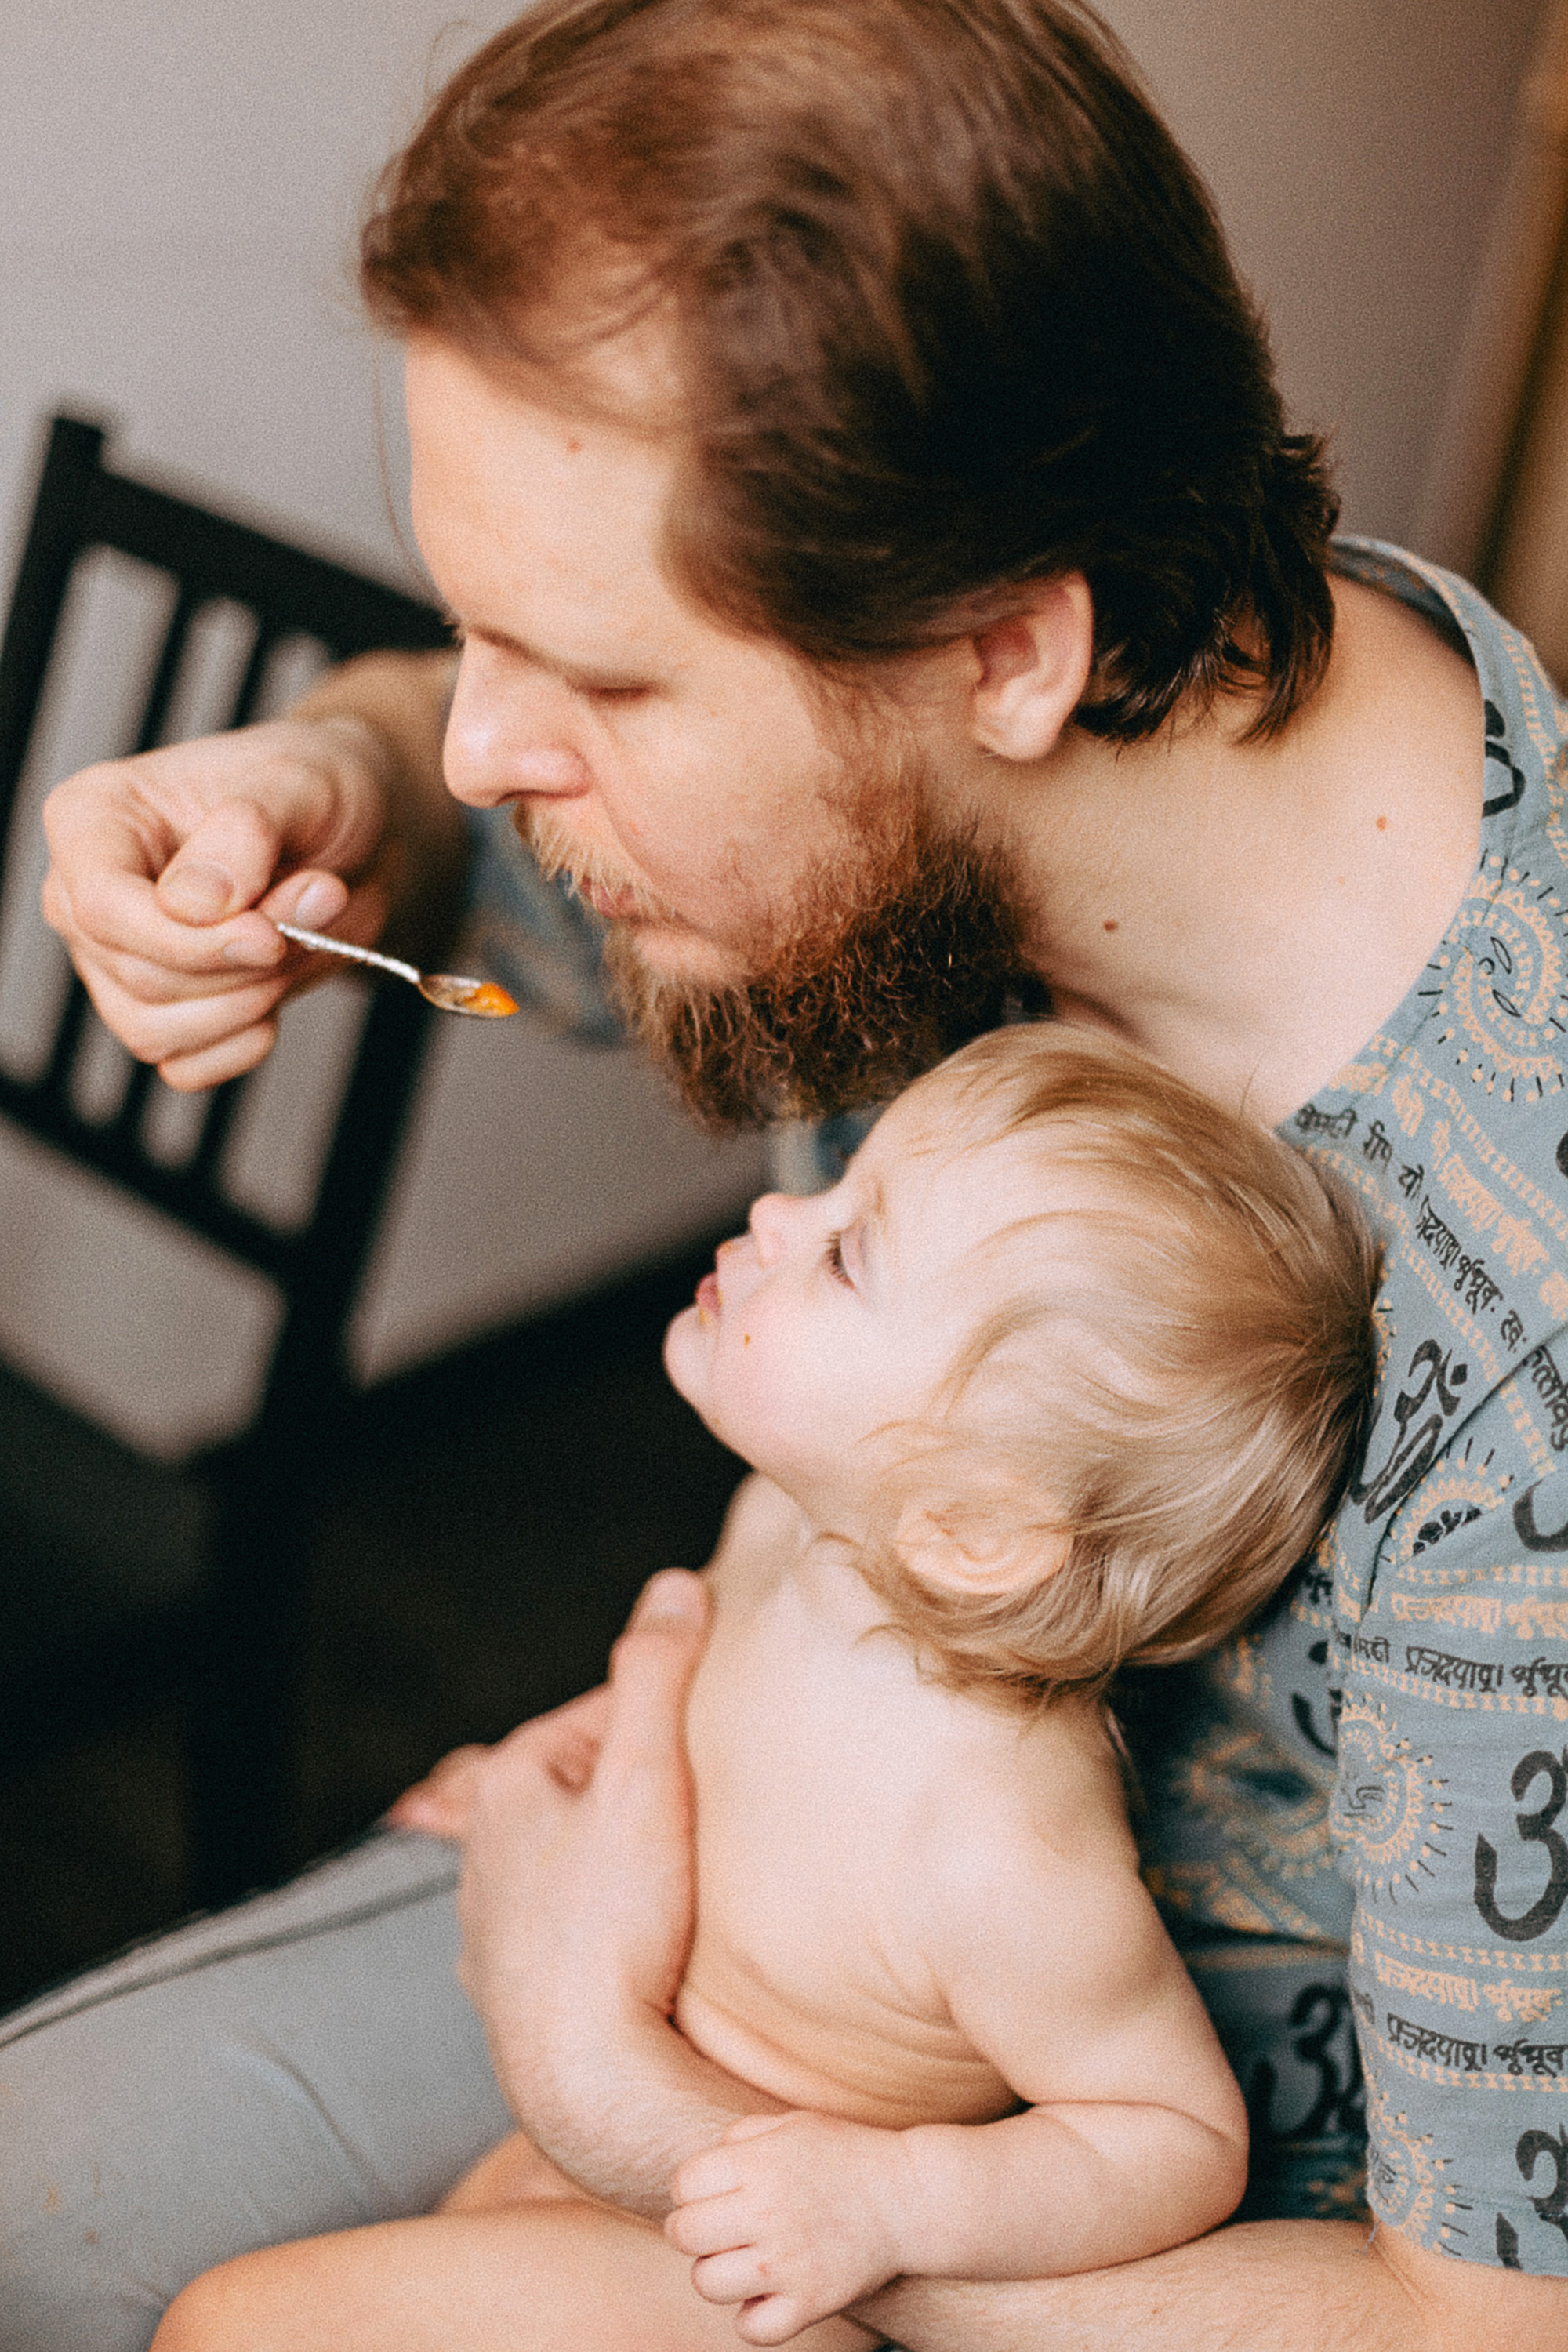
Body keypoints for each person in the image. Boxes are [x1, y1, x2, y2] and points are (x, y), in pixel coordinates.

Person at [6, 0, 1568, 2344]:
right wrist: (331, 782)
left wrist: (649, 2117)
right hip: (732, 1879)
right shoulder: (1025, 700)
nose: (491, 738)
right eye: (478, 632)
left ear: (1010, 654)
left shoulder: (1526, 1331)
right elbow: (452, 783)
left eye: (596, 684)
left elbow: (1480, 2320)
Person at [150, 1024, 1376, 2351]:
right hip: (623, 2164)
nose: (783, 1207)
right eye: (837, 1191)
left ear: (970, 1533)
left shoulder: (993, 1843)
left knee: (230, 2326)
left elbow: (1175, 2137)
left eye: (848, 1252)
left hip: (758, 2280)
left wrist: (892, 2201)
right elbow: (711, 1688)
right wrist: (564, 1741)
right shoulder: (796, 1524)